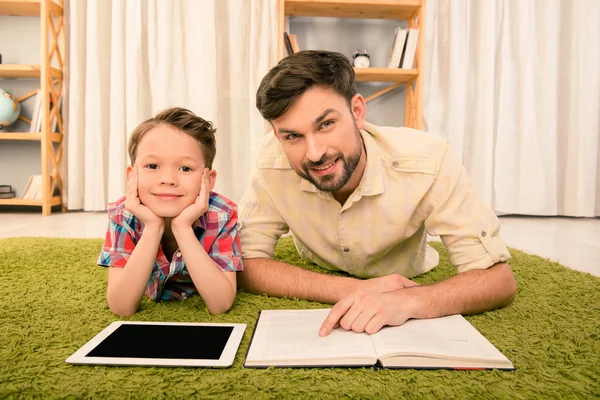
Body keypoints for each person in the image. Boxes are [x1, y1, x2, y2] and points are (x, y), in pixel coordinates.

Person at [238, 50, 516, 336]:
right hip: (318, 265)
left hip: (410, 271)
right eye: (292, 136)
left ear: (357, 112)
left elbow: (498, 280)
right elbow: (244, 262)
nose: (315, 153)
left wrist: (406, 301)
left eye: (326, 124)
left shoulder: (430, 159)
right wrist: (355, 289)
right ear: (276, 135)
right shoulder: (270, 159)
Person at [98, 107, 242, 316]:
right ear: (132, 176)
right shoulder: (123, 215)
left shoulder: (222, 215)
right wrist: (152, 227)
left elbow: (220, 304)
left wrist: (182, 228)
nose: (168, 179)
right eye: (153, 165)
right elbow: (121, 307)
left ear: (208, 180)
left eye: (185, 168)